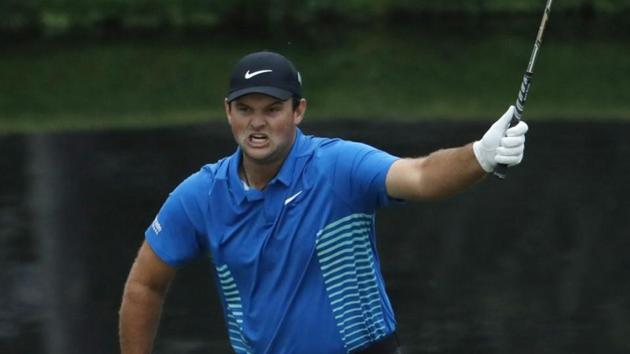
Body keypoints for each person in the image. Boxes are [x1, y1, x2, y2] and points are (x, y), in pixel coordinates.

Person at [119, 51, 528, 354]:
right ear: (228, 112)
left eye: (272, 110)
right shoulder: (200, 195)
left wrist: (479, 156)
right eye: (245, 109)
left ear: (298, 111)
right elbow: (144, 283)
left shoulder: (338, 166)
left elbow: (419, 175)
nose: (256, 123)